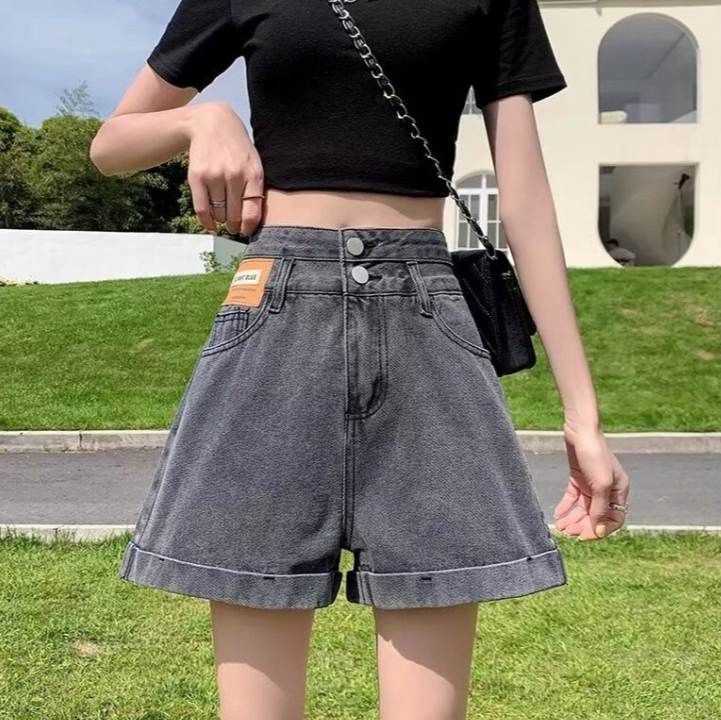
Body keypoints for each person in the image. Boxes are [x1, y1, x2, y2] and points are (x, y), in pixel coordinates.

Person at [89, 0, 631, 718]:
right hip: (277, 312)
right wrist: (204, 120)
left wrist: (583, 417)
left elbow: (526, 200)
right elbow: (111, 143)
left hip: (426, 317)